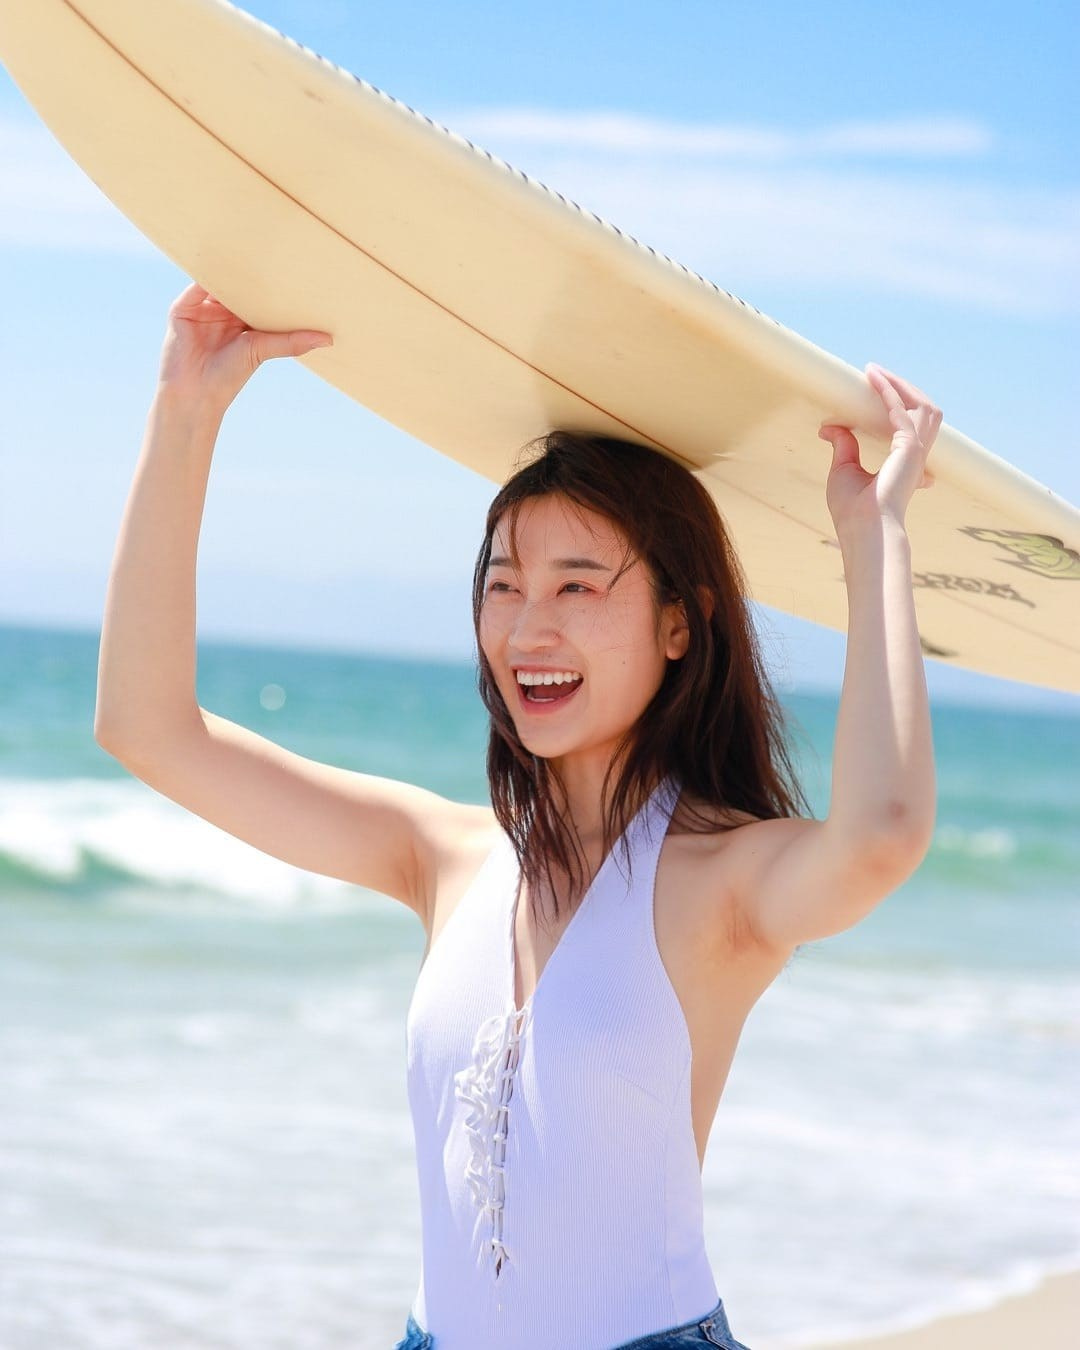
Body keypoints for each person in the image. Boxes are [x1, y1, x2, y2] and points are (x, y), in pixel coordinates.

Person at [94, 282, 940, 1350]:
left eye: (579, 588)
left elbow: (883, 831)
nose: (528, 627)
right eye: (503, 585)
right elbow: (146, 727)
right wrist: (186, 411)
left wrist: (874, 540)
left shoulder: (720, 880)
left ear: (680, 625)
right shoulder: (440, 854)